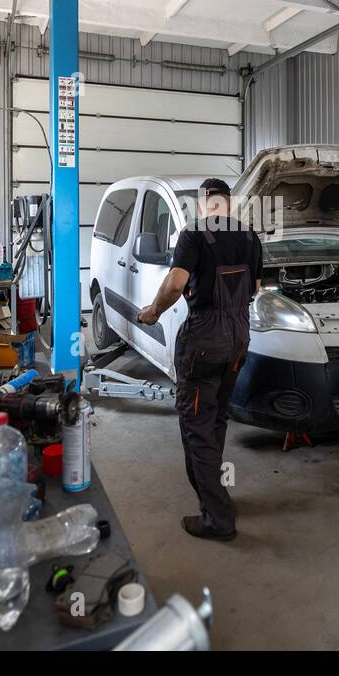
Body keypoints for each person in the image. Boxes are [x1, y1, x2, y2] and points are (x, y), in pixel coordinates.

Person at [137, 178, 262, 541]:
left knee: (197, 426)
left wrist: (154, 312)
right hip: (239, 339)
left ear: (203, 202)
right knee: (216, 419)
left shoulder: (193, 235)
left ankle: (218, 519)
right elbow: (254, 288)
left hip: (204, 343)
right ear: (229, 202)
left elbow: (176, 284)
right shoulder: (250, 236)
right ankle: (217, 495)